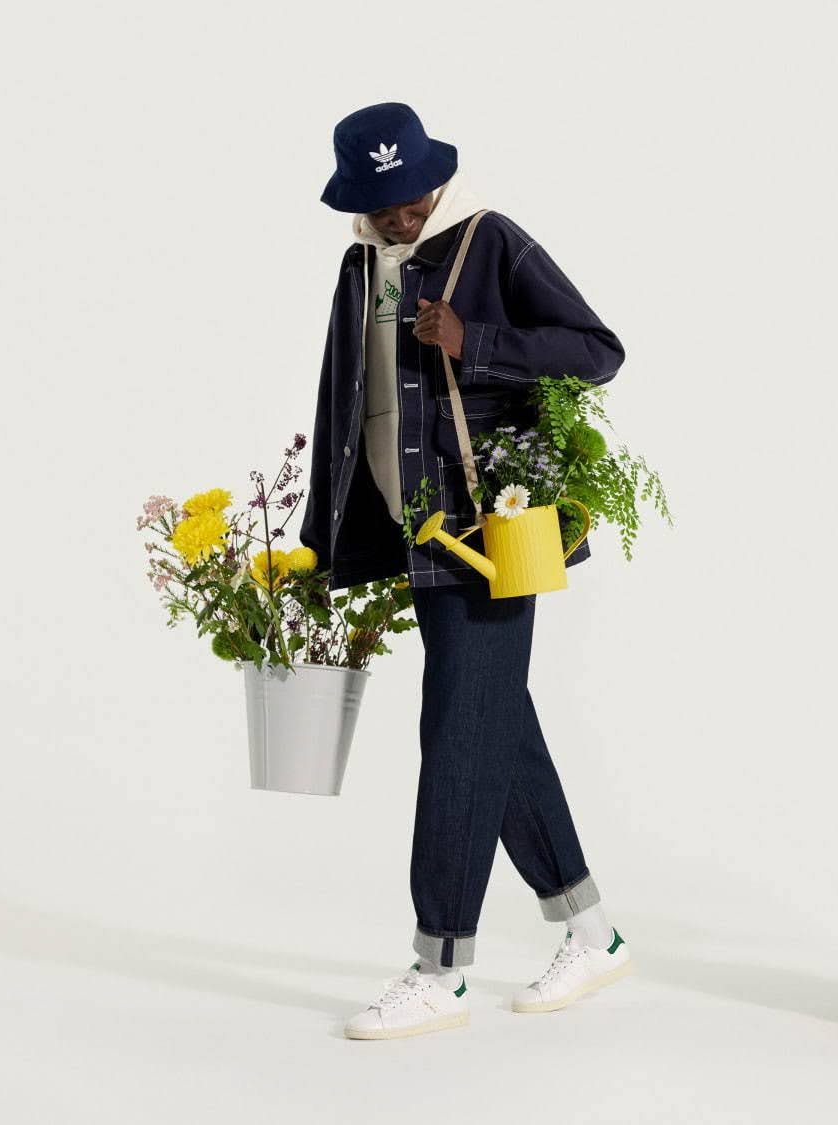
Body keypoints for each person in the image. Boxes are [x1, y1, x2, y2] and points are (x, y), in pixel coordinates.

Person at [299, 101, 631, 1040]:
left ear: (436, 178)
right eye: (383, 203)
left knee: (455, 730)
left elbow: (597, 351)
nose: (402, 215)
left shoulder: (491, 241)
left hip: (492, 531)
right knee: (491, 723)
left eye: (412, 196)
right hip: (416, 534)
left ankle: (440, 966)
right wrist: (322, 539)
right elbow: (339, 403)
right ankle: (593, 932)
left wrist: (474, 340)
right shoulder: (361, 267)